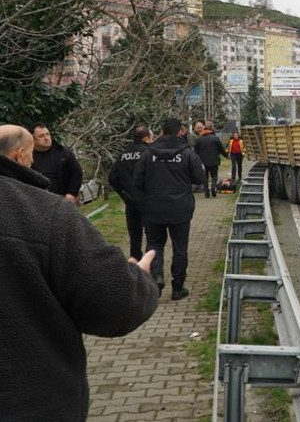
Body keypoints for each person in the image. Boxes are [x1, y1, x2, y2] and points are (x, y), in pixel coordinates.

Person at [0, 124, 158, 420]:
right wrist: (140, 281)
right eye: (32, 152)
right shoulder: (44, 214)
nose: (34, 160)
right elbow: (114, 305)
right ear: (19, 156)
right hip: (32, 403)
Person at [134, 118, 205, 300]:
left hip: (153, 208)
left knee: (154, 244)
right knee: (180, 247)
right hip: (180, 209)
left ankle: (156, 276)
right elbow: (199, 178)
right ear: (179, 132)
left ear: (162, 132)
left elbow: (137, 181)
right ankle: (178, 286)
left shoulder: (148, 153)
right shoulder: (187, 153)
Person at [109, 125, 153, 260]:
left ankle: (135, 263)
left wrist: (123, 193)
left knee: (134, 235)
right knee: (152, 235)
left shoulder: (124, 154)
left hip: (130, 201)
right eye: (152, 137)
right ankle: (150, 265)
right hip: (148, 201)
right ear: (146, 138)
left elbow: (112, 177)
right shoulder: (150, 153)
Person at [30, 122, 83, 206]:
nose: (46, 138)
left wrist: (72, 194)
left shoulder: (63, 152)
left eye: (47, 134)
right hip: (41, 205)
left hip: (64, 201)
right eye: (41, 136)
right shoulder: (28, 157)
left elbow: (77, 172)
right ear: (33, 139)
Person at [195, 123, 228, 198]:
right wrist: (226, 155)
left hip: (203, 161)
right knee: (214, 176)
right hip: (214, 161)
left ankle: (206, 193)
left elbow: (196, 150)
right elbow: (221, 149)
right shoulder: (215, 138)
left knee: (205, 177)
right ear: (211, 130)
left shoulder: (199, 139)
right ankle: (213, 187)